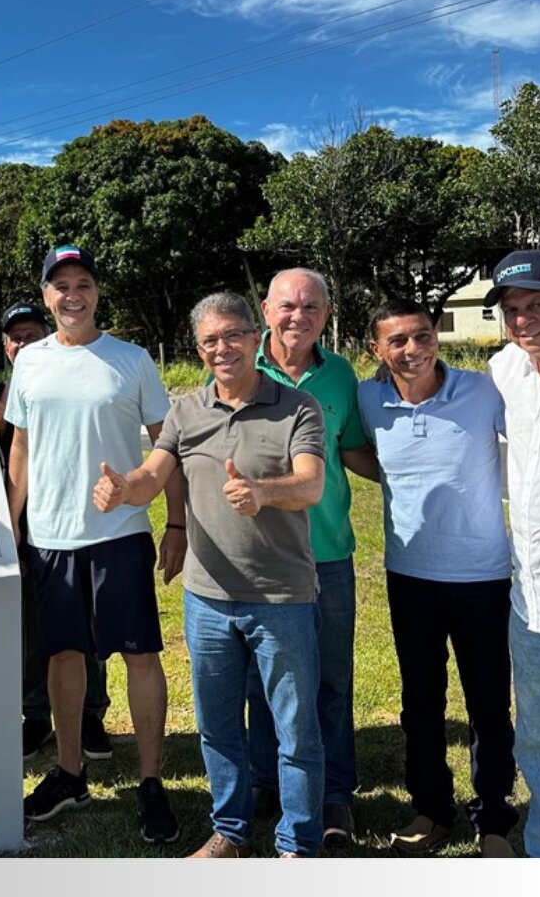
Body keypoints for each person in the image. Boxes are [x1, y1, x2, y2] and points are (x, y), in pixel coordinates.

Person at [95, 291, 326, 858]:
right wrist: (128, 489)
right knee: (217, 726)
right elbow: (154, 473)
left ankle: (298, 844)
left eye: (232, 335)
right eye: (209, 341)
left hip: (282, 598)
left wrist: (262, 493)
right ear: (199, 351)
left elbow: (311, 484)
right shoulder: (185, 411)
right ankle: (231, 831)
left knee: (295, 732)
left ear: (255, 337)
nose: (222, 349)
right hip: (208, 600)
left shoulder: (297, 408)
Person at [7, 245, 185, 845]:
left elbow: (168, 447)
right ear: (47, 294)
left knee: (139, 656)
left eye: (83, 283)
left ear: (97, 292)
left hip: (121, 534)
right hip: (50, 538)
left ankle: (152, 781)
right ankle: (70, 770)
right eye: (61, 286)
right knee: (63, 656)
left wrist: (176, 523)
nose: (72, 295)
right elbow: (22, 452)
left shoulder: (131, 360)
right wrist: (11, 527)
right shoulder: (28, 361)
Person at [357, 299, 517, 857]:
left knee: (489, 703)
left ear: (436, 339)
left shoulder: (482, 391)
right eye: (397, 341)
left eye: (422, 336)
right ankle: (431, 810)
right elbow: (355, 450)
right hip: (411, 577)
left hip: (483, 577)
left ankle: (494, 816)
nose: (412, 350)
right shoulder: (367, 397)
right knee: (420, 702)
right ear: (377, 348)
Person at [244, 267, 371, 846]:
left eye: (312, 307)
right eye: (287, 306)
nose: (299, 316)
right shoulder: (239, 367)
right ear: (265, 310)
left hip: (327, 556)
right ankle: (267, 782)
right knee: (260, 682)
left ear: (327, 314)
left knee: (330, 680)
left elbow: (352, 453)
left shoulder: (341, 376)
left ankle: (336, 794)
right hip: (258, 558)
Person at [0, 301, 113, 762]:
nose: (22, 343)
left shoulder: (70, 373)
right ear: (5, 346)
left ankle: (90, 715)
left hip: (79, 523)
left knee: (87, 627)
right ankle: (36, 716)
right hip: (25, 525)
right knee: (32, 630)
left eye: (30, 334)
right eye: (14, 337)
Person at [484, 249, 540, 859]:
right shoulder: (504, 371)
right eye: (511, 310)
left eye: (537, 304)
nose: (522, 320)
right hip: (535, 601)